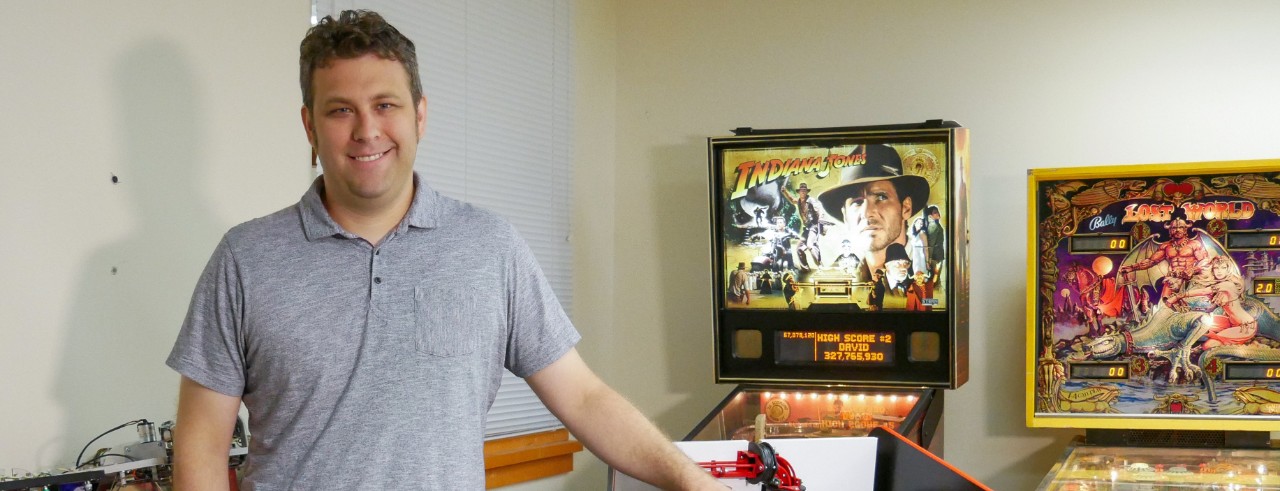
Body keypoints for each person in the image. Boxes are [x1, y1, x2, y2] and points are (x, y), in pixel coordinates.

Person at [167, 11, 723, 490]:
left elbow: (583, 399)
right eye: (340, 110)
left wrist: (690, 479)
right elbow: (201, 444)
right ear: (310, 126)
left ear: (420, 115)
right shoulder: (245, 258)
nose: (366, 130)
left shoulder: (489, 248)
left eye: (386, 104)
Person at [817, 144, 929, 282]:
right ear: (846, 217)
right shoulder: (851, 280)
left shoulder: (926, 274)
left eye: (881, 197)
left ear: (905, 208)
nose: (867, 213)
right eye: (857, 202)